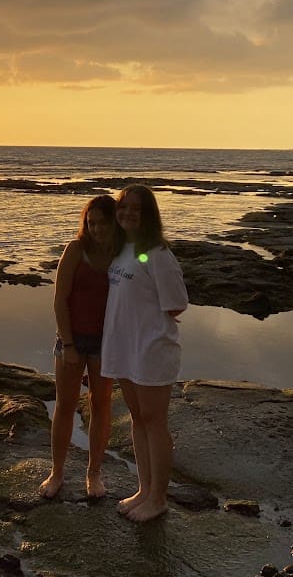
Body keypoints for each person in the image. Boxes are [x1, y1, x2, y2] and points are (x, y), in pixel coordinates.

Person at [102, 184, 189, 522]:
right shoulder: (123, 249)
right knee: (138, 420)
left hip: (151, 351)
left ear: (148, 214)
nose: (127, 214)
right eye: (123, 207)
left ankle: (158, 498)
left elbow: (177, 305)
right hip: (125, 349)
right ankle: (144, 489)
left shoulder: (158, 255)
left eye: (135, 209)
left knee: (155, 423)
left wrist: (148, 328)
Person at [39, 194, 124, 500]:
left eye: (103, 222)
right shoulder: (76, 249)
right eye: (92, 223)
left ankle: (94, 474)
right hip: (72, 339)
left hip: (106, 342)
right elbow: (60, 299)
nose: (97, 229)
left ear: (115, 222)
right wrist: (69, 344)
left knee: (101, 407)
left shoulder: (123, 253)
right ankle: (57, 473)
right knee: (64, 405)